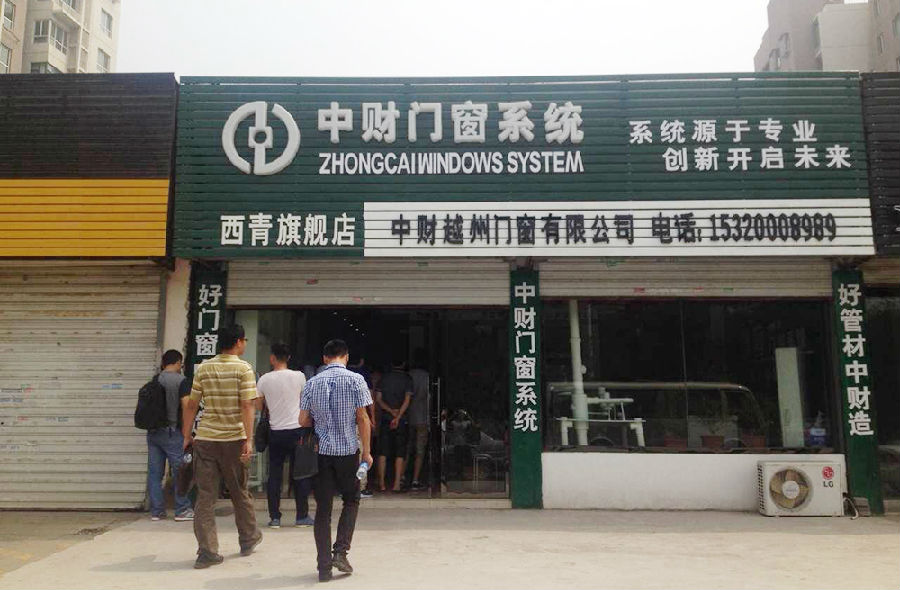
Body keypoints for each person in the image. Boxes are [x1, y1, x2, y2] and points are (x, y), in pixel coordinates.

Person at [182, 324, 262, 569]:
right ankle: (248, 539)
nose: (245, 344)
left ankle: (207, 551)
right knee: (239, 492)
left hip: (205, 439)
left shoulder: (204, 368)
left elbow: (192, 404)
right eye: (244, 340)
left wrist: (186, 435)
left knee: (205, 497)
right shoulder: (243, 368)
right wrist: (248, 439)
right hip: (234, 440)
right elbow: (247, 405)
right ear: (238, 342)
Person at [299, 339, 373, 582]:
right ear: (346, 357)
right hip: (348, 452)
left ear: (324, 358)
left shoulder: (311, 383)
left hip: (321, 453)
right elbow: (363, 418)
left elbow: (302, 420)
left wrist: (319, 422)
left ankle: (323, 567)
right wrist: (366, 452)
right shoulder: (356, 380)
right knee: (351, 499)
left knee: (323, 509)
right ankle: (340, 552)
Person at [256, 342, 313, 528]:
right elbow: (306, 401)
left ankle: (275, 517)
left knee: (274, 475)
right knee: (301, 474)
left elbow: (258, 405)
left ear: (272, 358)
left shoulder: (264, 380)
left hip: (276, 431)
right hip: (298, 430)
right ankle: (302, 516)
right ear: (288, 358)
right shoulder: (299, 376)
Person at [146, 349, 193, 522]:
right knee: (181, 471)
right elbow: (187, 406)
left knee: (155, 473)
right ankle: (182, 509)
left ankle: (157, 511)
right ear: (178, 362)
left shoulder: (154, 380)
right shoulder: (181, 381)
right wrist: (187, 433)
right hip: (173, 433)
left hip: (153, 433)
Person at [374, 359, 413, 492]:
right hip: (401, 420)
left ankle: (382, 484)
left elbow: (378, 399)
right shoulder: (407, 379)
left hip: (386, 418)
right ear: (403, 364)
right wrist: (398, 416)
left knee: (383, 451)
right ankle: (397, 484)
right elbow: (407, 400)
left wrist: (390, 411)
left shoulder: (383, 379)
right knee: (400, 452)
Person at [406, 350, 430, 491]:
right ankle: (415, 479)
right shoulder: (427, 377)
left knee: (407, 448)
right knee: (420, 450)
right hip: (422, 417)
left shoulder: (408, 375)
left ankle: (402, 476)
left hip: (408, 416)